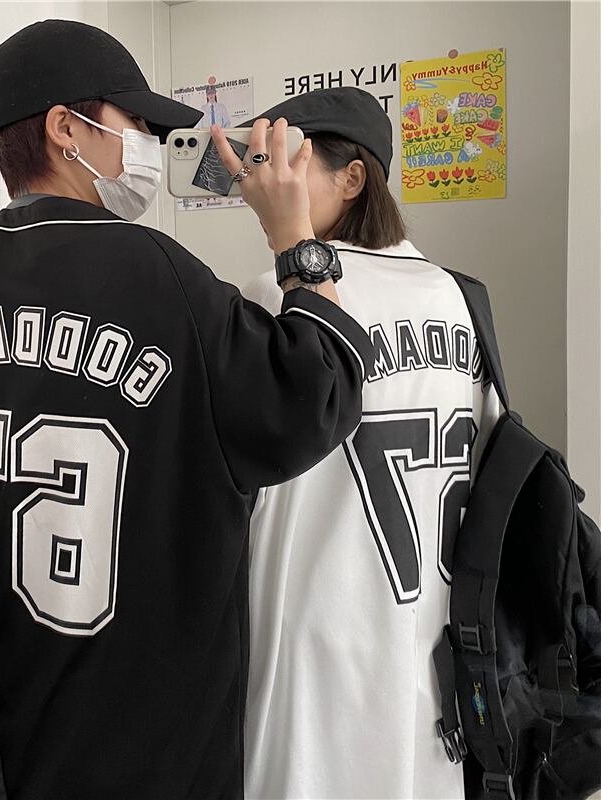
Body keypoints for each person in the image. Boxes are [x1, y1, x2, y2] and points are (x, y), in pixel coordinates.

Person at [0, 22, 374, 800]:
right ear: (65, 128)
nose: (148, 145)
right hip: (143, 757)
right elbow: (321, 392)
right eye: (134, 122)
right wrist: (296, 239)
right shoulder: (166, 281)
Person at [240, 87, 502, 800]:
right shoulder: (459, 298)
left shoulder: (278, 295)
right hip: (435, 647)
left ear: (352, 177)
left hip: (314, 642)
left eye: (292, 160)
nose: (270, 178)